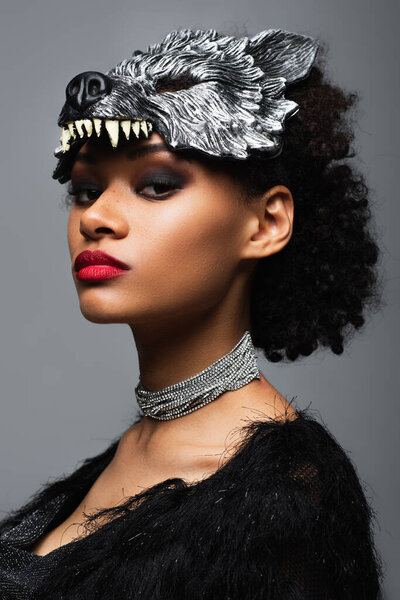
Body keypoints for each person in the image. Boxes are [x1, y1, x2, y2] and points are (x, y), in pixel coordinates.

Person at [0, 27, 383, 599]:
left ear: (267, 223)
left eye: (155, 185)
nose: (95, 218)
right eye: (83, 190)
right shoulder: (133, 449)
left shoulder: (287, 496)